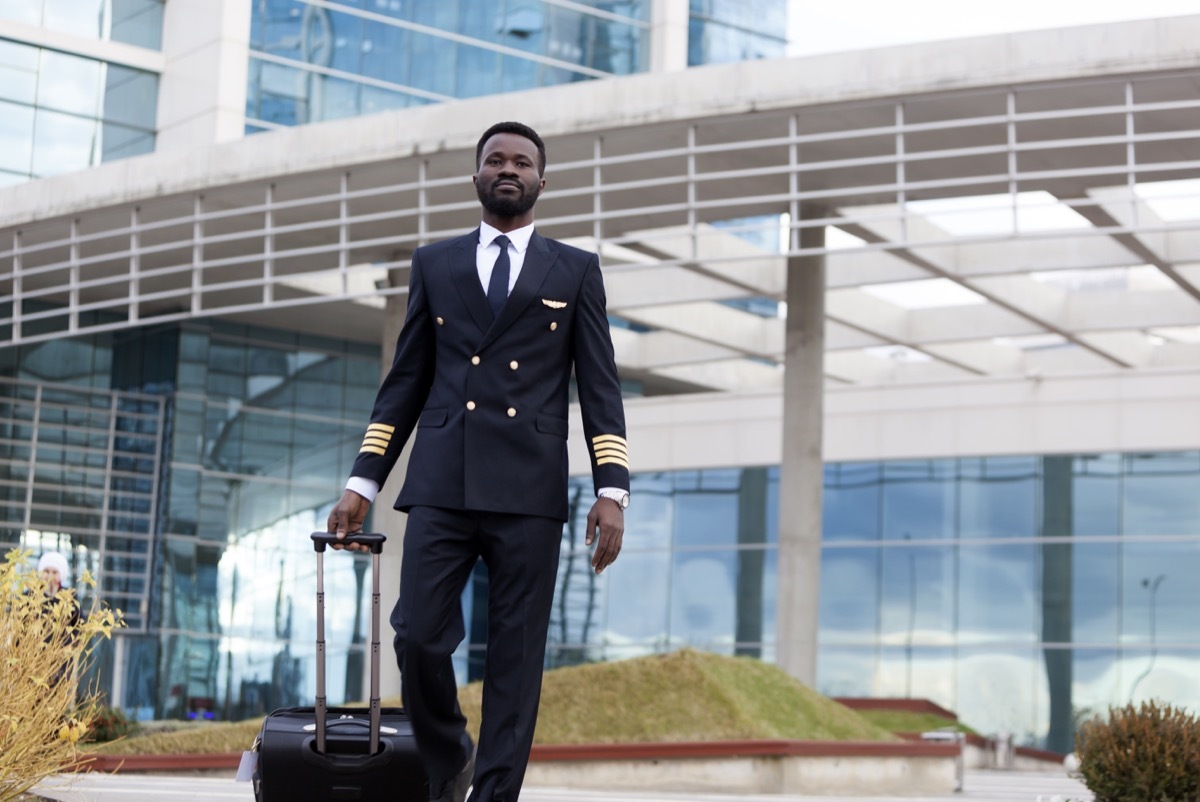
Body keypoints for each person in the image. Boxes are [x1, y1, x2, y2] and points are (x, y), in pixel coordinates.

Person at [327, 121, 630, 802]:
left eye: (522, 161)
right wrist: (361, 481)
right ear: (476, 176)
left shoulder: (574, 269)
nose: (508, 168)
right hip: (442, 481)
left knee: (516, 666)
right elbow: (404, 381)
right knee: (417, 637)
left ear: (541, 181)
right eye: (496, 159)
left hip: (528, 489)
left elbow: (600, 386)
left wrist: (613, 488)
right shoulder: (434, 263)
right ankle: (451, 752)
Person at [37, 551, 81, 685]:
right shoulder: (31, 596)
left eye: (55, 572)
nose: (50, 576)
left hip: (60, 662)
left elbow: (79, 625)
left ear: (61, 575)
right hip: (34, 660)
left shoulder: (69, 597)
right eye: (46, 571)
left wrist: (69, 646)